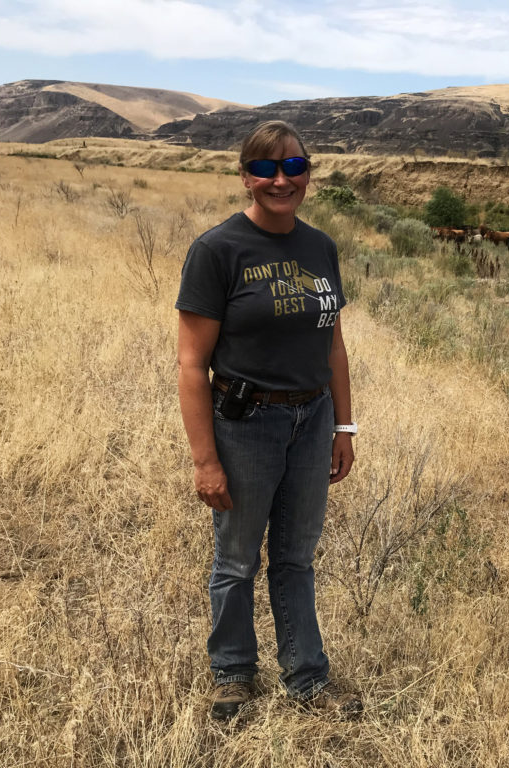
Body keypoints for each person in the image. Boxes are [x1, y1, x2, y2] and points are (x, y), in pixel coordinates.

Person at [175, 120, 361, 721]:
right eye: (264, 169)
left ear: (309, 173)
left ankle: (306, 675)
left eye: (293, 168)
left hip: (313, 419)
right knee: (236, 558)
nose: (280, 181)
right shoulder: (217, 250)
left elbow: (333, 344)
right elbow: (190, 363)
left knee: (296, 556)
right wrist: (206, 460)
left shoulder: (321, 248)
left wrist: (344, 426)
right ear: (244, 176)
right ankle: (232, 672)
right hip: (246, 423)